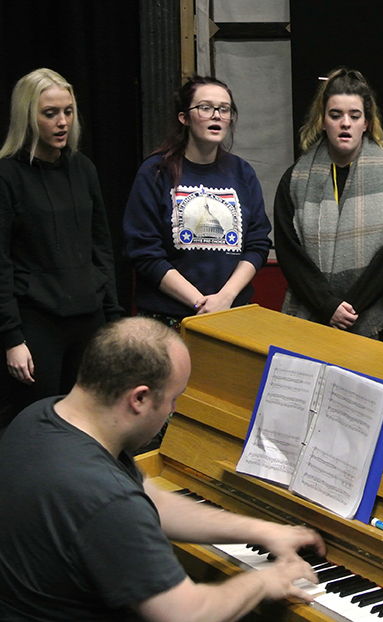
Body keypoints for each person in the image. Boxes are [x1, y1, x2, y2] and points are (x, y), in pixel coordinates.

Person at [0, 317, 324, 621]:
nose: (175, 409)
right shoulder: (104, 498)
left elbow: (152, 499)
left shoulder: (43, 416)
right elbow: (188, 614)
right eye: (173, 398)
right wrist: (267, 581)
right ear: (139, 398)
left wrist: (260, 530)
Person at [0, 68, 122, 434]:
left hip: (87, 321)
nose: (62, 122)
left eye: (68, 111)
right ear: (28, 116)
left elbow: (102, 246)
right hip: (36, 326)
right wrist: (12, 339)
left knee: (88, 427)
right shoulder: (7, 175)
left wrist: (112, 319)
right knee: (34, 428)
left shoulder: (83, 168)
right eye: (50, 113)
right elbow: (1, 263)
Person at [274, 68, 383, 342]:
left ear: (366, 122)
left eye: (354, 115)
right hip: (311, 316)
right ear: (323, 121)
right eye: (335, 115)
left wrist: (349, 307)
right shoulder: (294, 178)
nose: (345, 123)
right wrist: (327, 306)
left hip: (375, 318)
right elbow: (288, 252)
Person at [123, 75, 272, 330]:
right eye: (205, 107)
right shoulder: (155, 172)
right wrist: (199, 304)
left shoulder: (242, 172)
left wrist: (224, 299)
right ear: (184, 117)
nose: (216, 115)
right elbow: (143, 250)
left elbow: (257, 244)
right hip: (166, 321)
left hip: (231, 315)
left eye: (224, 109)